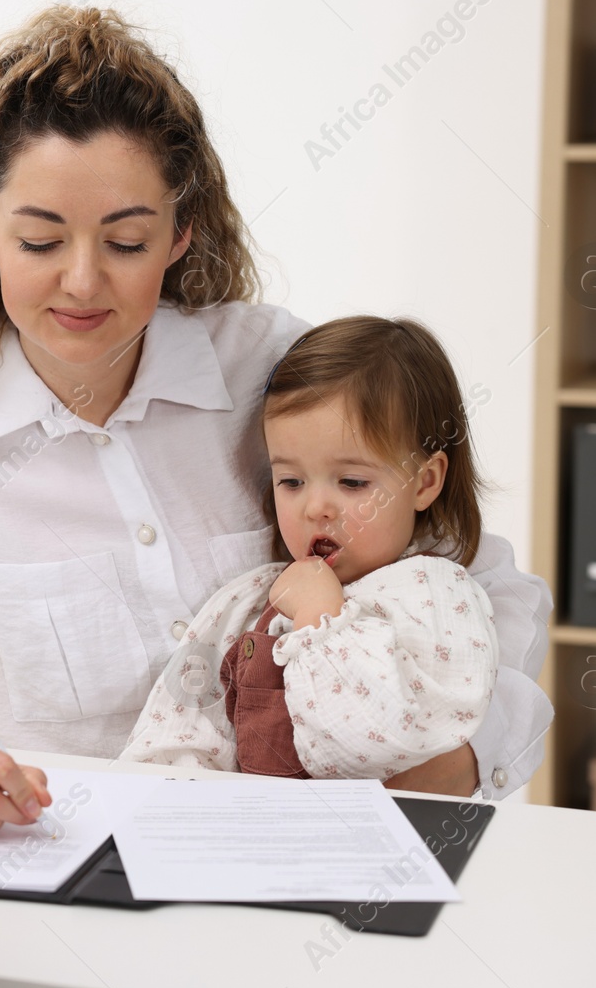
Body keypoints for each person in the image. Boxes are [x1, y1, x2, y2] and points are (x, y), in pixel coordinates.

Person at [0, 5, 553, 841]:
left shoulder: (266, 367)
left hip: (326, 849)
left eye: (125, 241)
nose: (82, 282)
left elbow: (492, 587)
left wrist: (472, 753)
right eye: (41, 240)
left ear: (181, 231)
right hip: (75, 863)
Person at [121, 316, 500, 778]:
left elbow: (375, 741)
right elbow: (177, 732)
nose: (316, 507)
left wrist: (320, 619)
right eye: (292, 481)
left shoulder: (438, 596)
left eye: (353, 481)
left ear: (425, 481)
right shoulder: (250, 600)